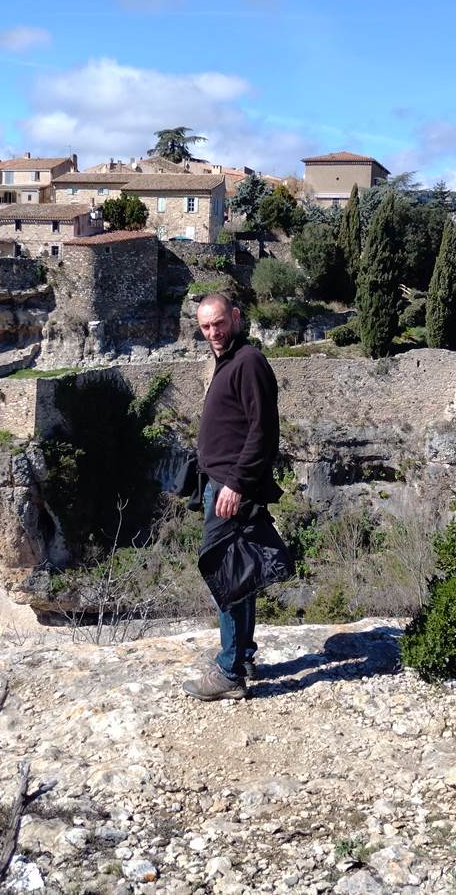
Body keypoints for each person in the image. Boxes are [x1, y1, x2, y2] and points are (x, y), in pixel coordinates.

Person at [183, 292, 283, 701]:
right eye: (206, 327)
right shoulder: (228, 360)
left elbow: (264, 431)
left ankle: (229, 671)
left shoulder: (248, 362)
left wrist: (236, 483)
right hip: (221, 485)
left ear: (236, 317)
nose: (213, 332)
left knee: (223, 575)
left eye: (219, 323)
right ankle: (242, 655)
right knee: (239, 576)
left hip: (231, 490)